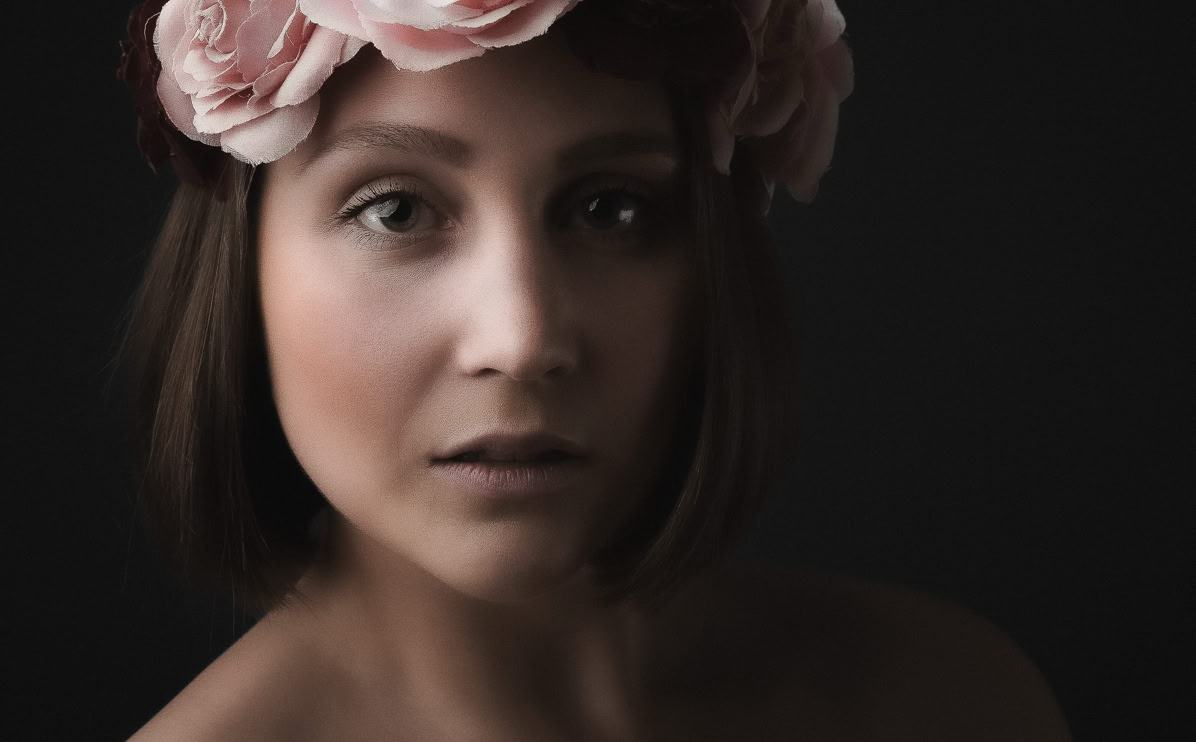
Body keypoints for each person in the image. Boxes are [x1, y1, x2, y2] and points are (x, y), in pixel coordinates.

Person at [116, 1, 1071, 739]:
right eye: (396, 210)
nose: (524, 336)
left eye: (612, 210)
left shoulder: (954, 702)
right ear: (240, 269)